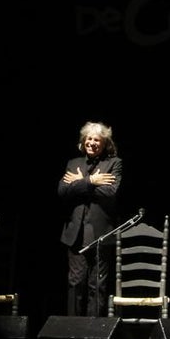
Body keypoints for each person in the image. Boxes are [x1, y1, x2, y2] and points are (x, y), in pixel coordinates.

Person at [57, 120, 123, 317]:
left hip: (100, 234)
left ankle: (94, 333)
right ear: (83, 141)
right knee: (75, 283)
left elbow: (110, 192)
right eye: (89, 139)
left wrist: (79, 183)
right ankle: (72, 332)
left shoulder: (114, 163)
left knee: (97, 284)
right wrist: (92, 181)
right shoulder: (73, 163)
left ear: (105, 144)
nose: (92, 143)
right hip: (75, 234)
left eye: (97, 140)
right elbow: (62, 191)